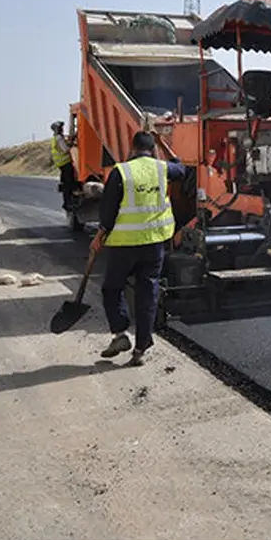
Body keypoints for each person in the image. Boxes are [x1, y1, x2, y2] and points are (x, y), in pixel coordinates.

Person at [90, 131, 186, 366]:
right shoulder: (162, 168)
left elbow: (108, 211)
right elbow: (181, 168)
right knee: (147, 294)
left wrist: (99, 235)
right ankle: (141, 348)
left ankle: (120, 334)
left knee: (112, 289)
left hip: (124, 245)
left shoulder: (121, 172)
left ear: (132, 148)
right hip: (154, 244)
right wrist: (164, 145)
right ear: (152, 149)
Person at [50, 121, 75, 210]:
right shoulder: (59, 138)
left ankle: (68, 202)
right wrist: (72, 146)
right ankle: (67, 203)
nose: (62, 129)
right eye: (61, 128)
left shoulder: (55, 138)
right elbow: (65, 149)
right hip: (65, 163)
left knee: (65, 183)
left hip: (61, 163)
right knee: (69, 183)